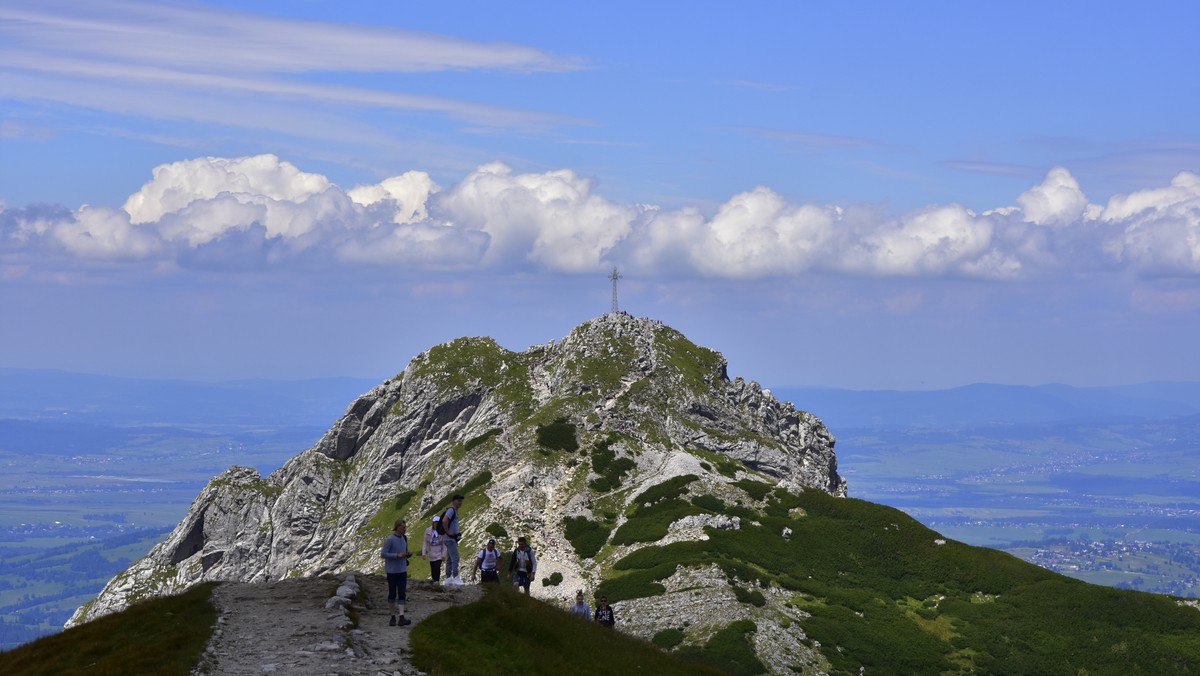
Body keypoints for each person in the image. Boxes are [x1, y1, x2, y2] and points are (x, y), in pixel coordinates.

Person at [381, 518, 413, 626]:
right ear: (398, 527)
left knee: (402, 593)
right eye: (403, 527)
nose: (405, 529)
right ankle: (392, 616)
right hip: (392, 571)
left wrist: (407, 553)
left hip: (402, 570)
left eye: (405, 527)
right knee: (392, 593)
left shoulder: (404, 538)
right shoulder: (390, 539)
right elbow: (383, 554)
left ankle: (401, 616)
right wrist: (396, 555)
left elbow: (404, 549)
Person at [442, 494, 464, 585]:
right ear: (454, 501)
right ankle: (455, 577)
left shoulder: (454, 511)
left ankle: (448, 578)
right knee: (455, 558)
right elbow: (444, 521)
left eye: (461, 501)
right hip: (450, 539)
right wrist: (448, 532)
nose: (460, 503)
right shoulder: (451, 510)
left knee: (450, 558)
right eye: (458, 501)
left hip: (449, 539)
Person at [422, 515, 447, 584]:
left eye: (437, 522)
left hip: (439, 553)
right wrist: (423, 553)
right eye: (435, 522)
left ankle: (437, 581)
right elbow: (425, 542)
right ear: (433, 523)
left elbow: (444, 544)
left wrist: (443, 554)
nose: (436, 524)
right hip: (431, 553)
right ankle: (434, 581)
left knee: (437, 567)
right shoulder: (428, 531)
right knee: (433, 568)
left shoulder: (442, 531)